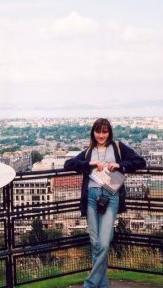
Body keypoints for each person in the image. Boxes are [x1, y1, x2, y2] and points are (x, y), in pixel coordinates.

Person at [64, 118, 146, 288]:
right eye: (98, 131)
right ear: (93, 133)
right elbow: (68, 164)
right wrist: (91, 163)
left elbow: (140, 162)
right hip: (91, 196)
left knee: (104, 242)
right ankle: (102, 285)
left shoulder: (117, 147)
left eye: (105, 131)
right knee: (95, 243)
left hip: (111, 194)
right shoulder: (88, 152)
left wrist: (119, 165)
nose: (101, 135)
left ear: (109, 132)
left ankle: (90, 284)